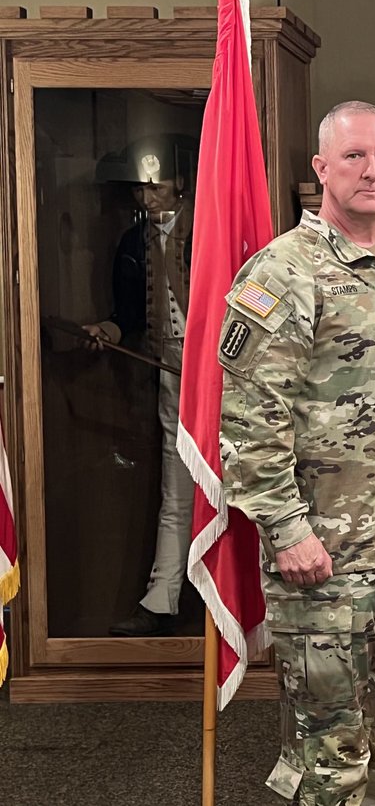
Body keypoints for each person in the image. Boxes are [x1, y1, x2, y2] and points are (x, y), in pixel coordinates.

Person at [217, 101, 375, 806]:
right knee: (330, 752)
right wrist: (286, 530)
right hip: (324, 561)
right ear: (321, 168)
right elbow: (251, 416)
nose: (372, 171)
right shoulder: (284, 272)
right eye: (354, 156)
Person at [85, 136, 197, 637]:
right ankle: (161, 597)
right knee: (176, 488)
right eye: (140, 190)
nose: (147, 199)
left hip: (225, 372)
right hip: (169, 369)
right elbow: (127, 312)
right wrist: (111, 328)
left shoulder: (210, 228)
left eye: (155, 187)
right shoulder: (134, 243)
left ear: (179, 183)